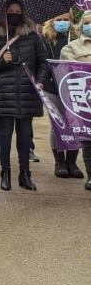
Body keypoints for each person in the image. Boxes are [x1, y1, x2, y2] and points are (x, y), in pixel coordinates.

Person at [0, 0, 48, 191]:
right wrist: (1, 61)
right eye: (11, 11)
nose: (15, 13)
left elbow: (43, 63)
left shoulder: (33, 37)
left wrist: (40, 80)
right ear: (4, 13)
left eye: (18, 11)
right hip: (3, 93)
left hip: (27, 92)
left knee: (25, 136)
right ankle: (5, 173)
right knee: (4, 135)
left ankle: (25, 175)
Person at [42, 11, 83, 180]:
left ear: (71, 20)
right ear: (52, 21)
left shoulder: (76, 37)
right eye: (59, 20)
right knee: (58, 124)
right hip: (52, 88)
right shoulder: (44, 39)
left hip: (74, 88)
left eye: (66, 20)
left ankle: (72, 162)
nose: (63, 22)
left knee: (75, 124)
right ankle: (59, 162)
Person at [60, 12, 91, 190]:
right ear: (80, 26)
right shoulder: (70, 48)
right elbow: (70, 71)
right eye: (86, 23)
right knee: (88, 139)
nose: (89, 26)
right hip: (85, 99)